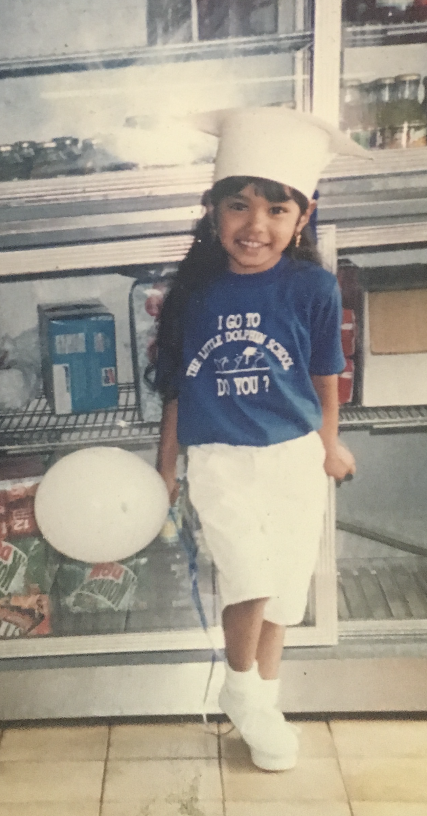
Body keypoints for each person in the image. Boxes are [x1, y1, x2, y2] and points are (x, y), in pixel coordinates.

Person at [155, 106, 370, 772]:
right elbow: (174, 389)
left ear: (302, 218)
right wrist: (166, 468)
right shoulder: (193, 291)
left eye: (278, 211)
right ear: (213, 210)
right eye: (239, 207)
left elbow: (325, 375)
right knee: (246, 579)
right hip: (220, 458)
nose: (256, 227)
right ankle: (241, 690)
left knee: (283, 587)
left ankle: (263, 702)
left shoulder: (312, 285)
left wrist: (330, 446)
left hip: (294, 456)